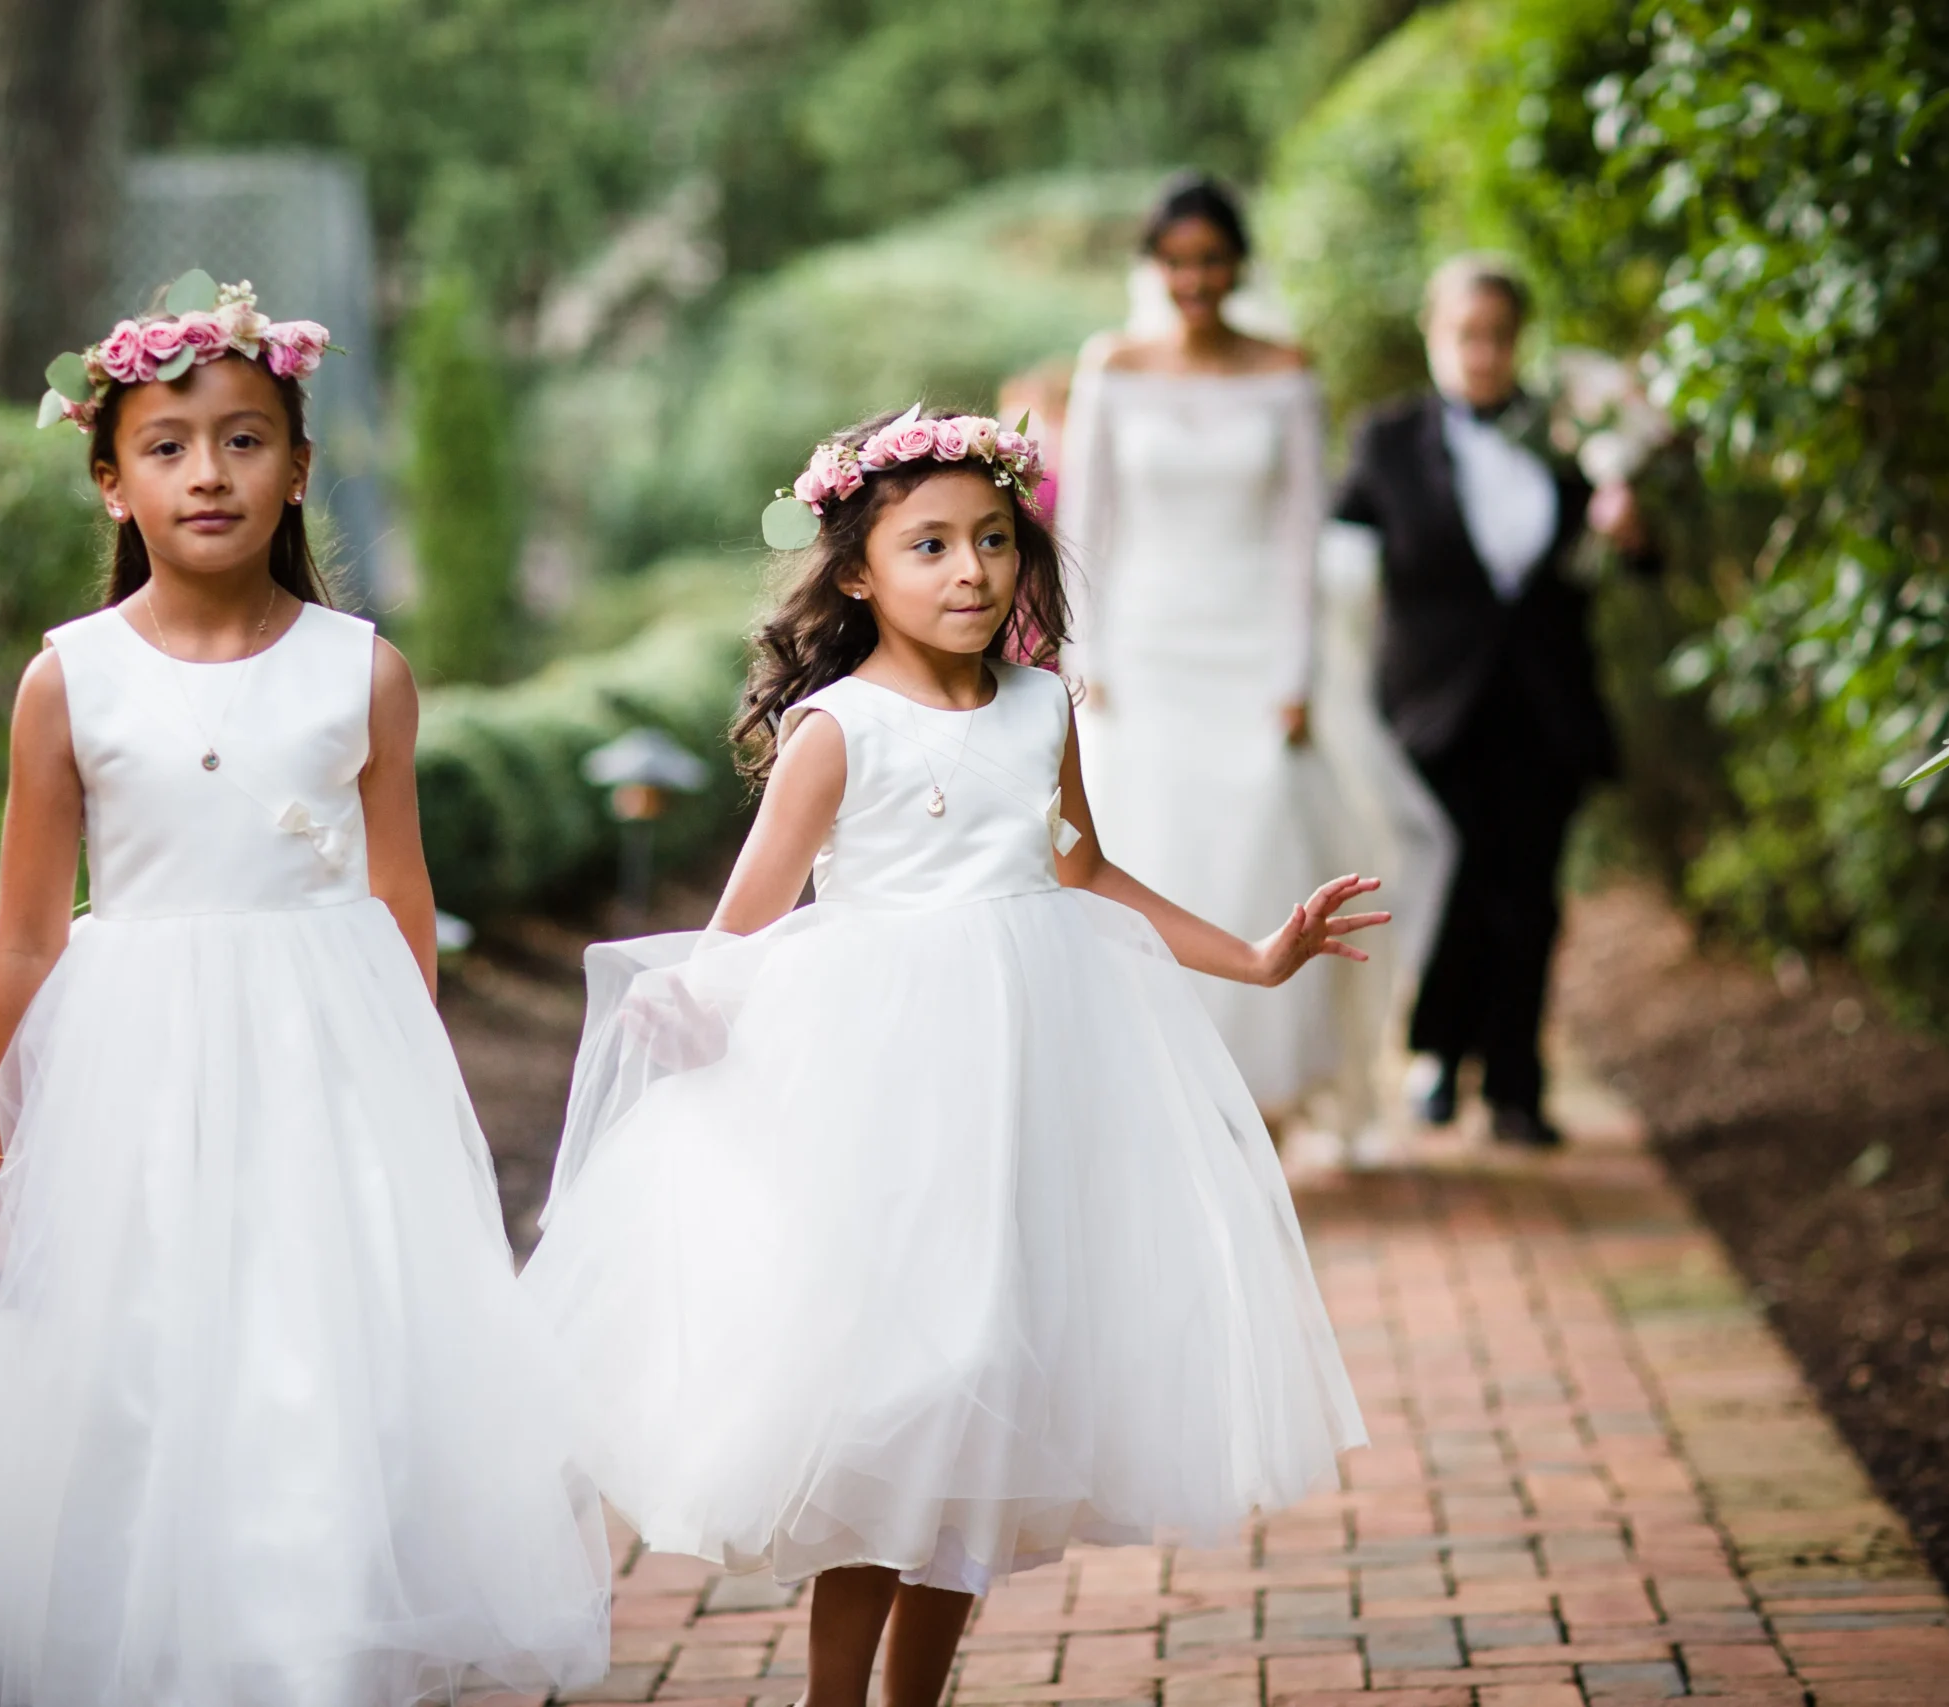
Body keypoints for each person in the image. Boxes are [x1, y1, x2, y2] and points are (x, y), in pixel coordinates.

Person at [522, 406, 1379, 1707]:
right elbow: (744, 922)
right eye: (929, 545)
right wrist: (691, 1010)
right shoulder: (839, 730)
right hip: (880, 1094)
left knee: (988, 1397)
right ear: (859, 571)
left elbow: (1080, 864)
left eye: (992, 539)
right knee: (895, 1402)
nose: (971, 570)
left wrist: (1253, 955)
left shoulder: (1042, 705)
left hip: (1030, 1076)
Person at [0, 276, 612, 1707]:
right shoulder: (67, 680)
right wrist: (12, 1160)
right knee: (142, 1382)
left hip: (319, 1079)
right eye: (169, 443)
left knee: (309, 1380)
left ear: (301, 466)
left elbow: (400, 901)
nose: (210, 471)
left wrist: (409, 1110)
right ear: (110, 477)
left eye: (247, 438)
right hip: (132, 1086)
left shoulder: (360, 672)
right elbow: (24, 937)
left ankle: (310, 1662)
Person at [1057, 173, 1453, 1129]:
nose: (1195, 278)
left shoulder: (1286, 372)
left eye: (1212, 259)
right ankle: (1155, 1087)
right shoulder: (1110, 366)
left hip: (1252, 652)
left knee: (1257, 840)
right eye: (1177, 261)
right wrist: (1086, 655)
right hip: (1142, 652)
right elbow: (1084, 520)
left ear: (1237, 264)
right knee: (1152, 844)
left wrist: (1295, 674)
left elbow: (1298, 538)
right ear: (1153, 268)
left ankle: (1262, 1093)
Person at [1331, 255, 1652, 1149]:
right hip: (1430, 708)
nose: (1483, 353)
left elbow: (1631, 556)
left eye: (1499, 336)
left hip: (1545, 701)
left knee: (1532, 895)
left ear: (1520, 341)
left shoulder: (1568, 436)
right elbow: (1332, 554)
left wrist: (1629, 525)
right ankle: (1436, 1050)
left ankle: (1517, 1084)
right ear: (1435, 336)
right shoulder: (1385, 440)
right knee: (1461, 878)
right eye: (1465, 334)